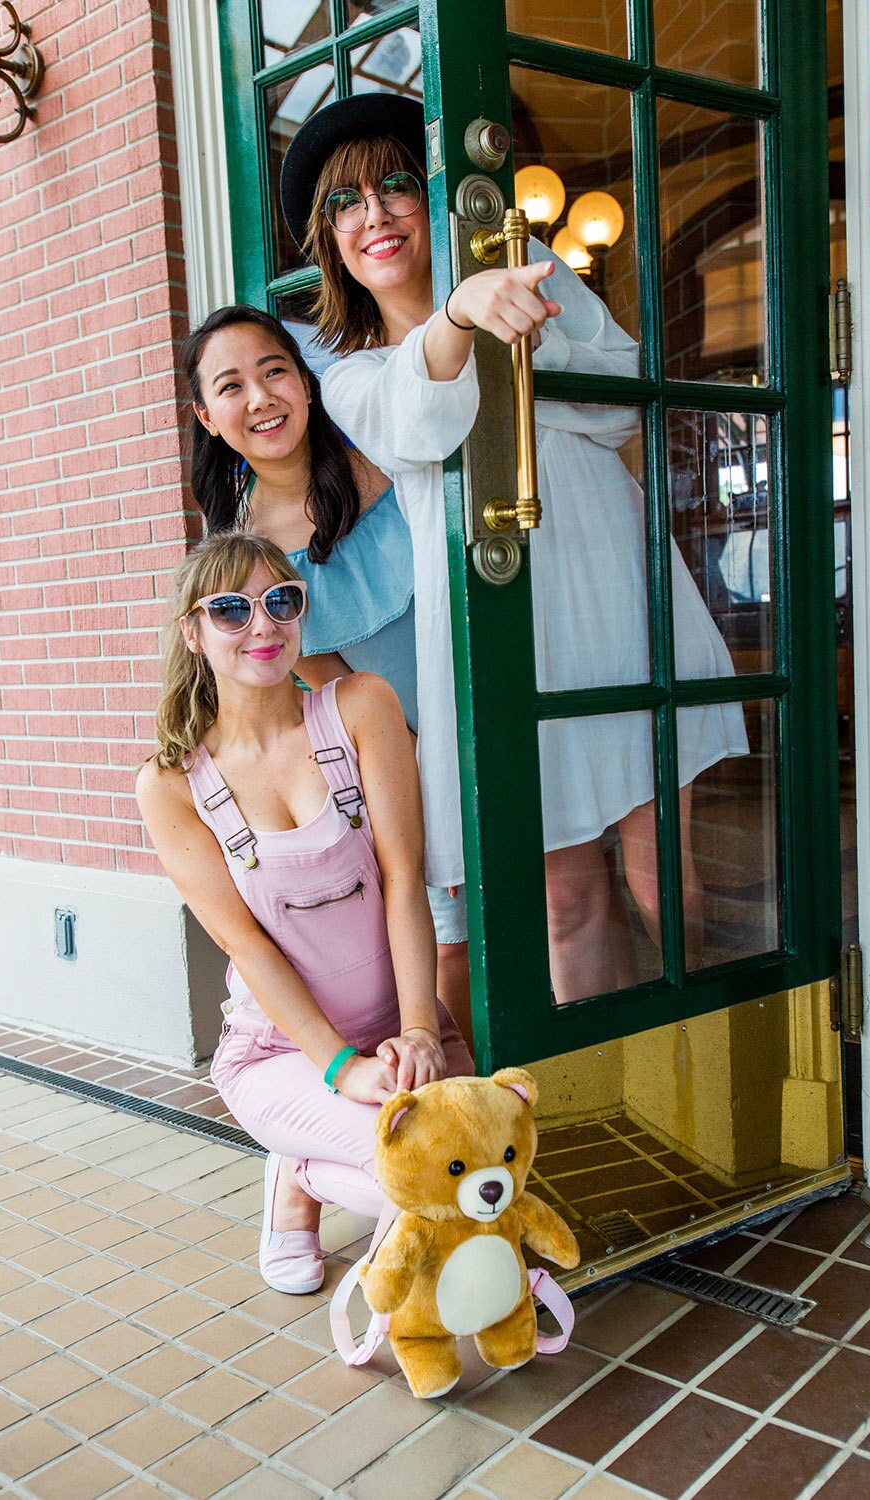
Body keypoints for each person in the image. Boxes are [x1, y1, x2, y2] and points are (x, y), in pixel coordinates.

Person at [279, 95, 748, 1001]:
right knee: (565, 901)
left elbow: (620, 397)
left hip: (612, 603)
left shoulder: (526, 267)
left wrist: (493, 351)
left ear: (438, 199)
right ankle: (599, 1094)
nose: (374, 213)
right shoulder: (351, 375)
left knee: (667, 887)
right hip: (503, 632)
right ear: (330, 237)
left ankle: (717, 1067)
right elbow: (420, 423)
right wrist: (461, 317)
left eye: (398, 186)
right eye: (346, 201)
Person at [136, 532, 472, 1294]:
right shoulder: (170, 785)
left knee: (474, 1152)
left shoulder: (360, 707)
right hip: (284, 1055)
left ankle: (307, 1166)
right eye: (231, 609)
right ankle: (300, 1179)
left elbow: (402, 877)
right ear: (192, 632)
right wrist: (339, 1068)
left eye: (280, 601)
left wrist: (420, 1030)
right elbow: (247, 947)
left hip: (403, 1031)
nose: (263, 625)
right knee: (417, 1168)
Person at [181, 305, 472, 1040]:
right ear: (207, 417)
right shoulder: (246, 556)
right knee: (453, 945)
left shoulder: (389, 452)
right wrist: (413, 763)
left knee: (554, 905)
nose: (260, 397)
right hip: (398, 758)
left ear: (307, 383)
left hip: (487, 704)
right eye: (232, 386)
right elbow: (327, 678)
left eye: (274, 370)